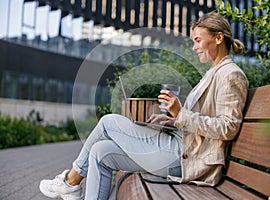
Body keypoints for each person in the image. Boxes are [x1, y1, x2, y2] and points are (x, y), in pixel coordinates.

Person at [39, 12, 248, 200]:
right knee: (100, 151)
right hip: (179, 147)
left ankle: (71, 181)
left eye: (198, 40)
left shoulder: (231, 74)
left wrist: (181, 114)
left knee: (108, 122)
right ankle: (73, 186)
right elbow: (199, 122)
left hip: (185, 159)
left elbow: (228, 128)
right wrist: (171, 120)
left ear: (218, 38)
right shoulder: (213, 72)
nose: (194, 47)